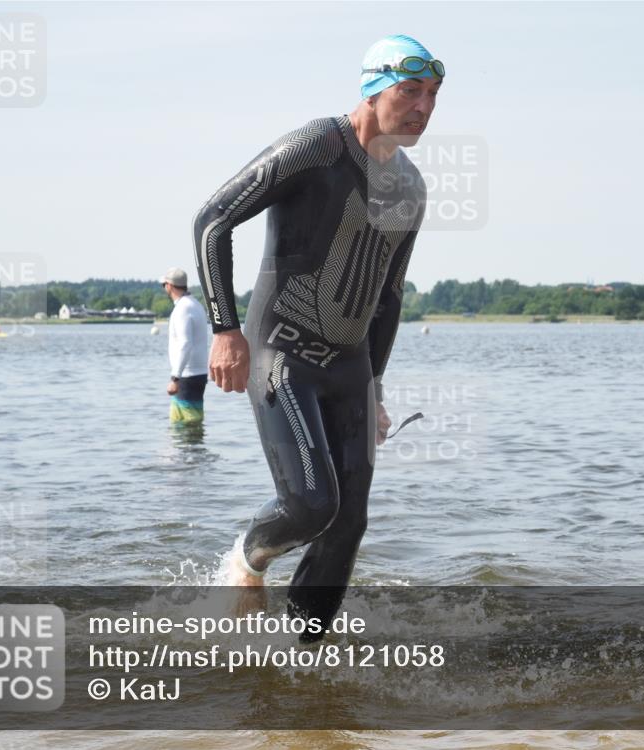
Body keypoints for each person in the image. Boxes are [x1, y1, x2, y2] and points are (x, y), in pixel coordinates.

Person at [192, 34, 441, 632]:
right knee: (310, 507)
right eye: (411, 91)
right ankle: (247, 562)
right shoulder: (315, 147)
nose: (424, 108)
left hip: (350, 368)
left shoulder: (411, 189)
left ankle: (304, 662)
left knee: (348, 523)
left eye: (432, 95)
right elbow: (212, 222)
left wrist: (375, 389)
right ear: (373, 88)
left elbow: (389, 297)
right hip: (282, 354)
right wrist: (226, 332)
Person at [161, 267, 209, 423]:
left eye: (164, 285)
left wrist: (175, 377)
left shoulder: (183, 308)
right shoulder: (195, 304)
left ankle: (192, 447)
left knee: (184, 424)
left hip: (187, 375)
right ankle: (196, 447)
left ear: (169, 285)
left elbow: (185, 343)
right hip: (196, 373)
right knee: (191, 422)